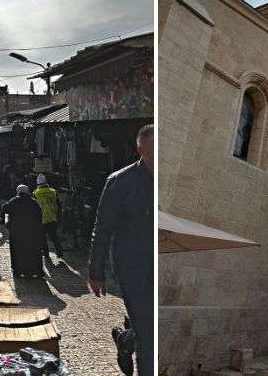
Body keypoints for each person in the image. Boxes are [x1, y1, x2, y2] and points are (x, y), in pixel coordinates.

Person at [88, 124, 154, 376]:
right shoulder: (120, 181)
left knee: (149, 327)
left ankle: (125, 339)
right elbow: (102, 229)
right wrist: (96, 271)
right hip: (131, 266)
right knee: (148, 335)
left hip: (155, 261)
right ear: (140, 149)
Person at [1, 185, 46, 279]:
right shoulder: (34, 202)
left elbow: (4, 208)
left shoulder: (14, 200)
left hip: (17, 231)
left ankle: (18, 270)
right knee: (34, 251)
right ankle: (36, 271)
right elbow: (40, 216)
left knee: (17, 250)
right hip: (32, 231)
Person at [34, 174, 64, 261]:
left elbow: (35, 207)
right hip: (52, 217)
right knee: (54, 236)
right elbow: (58, 203)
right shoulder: (53, 191)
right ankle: (59, 251)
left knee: (42, 237)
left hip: (41, 218)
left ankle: (46, 253)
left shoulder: (36, 193)